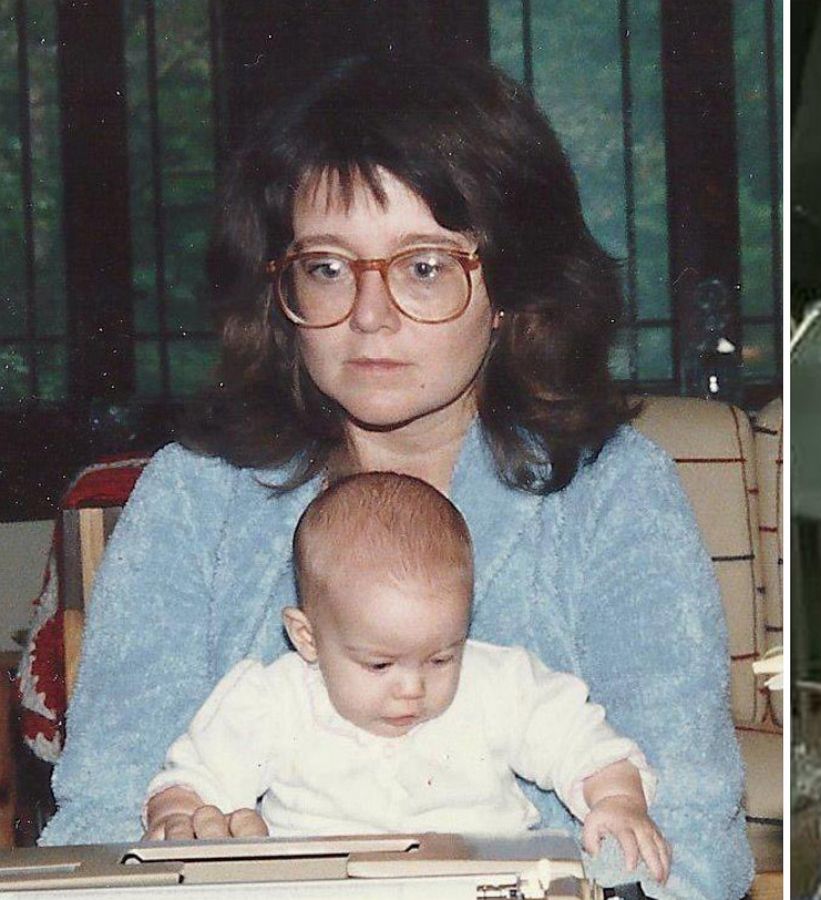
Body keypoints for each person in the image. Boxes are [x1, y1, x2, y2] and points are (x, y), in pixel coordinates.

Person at [43, 54, 751, 900]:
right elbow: (95, 828)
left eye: (423, 266)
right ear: (281, 290)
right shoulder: (198, 495)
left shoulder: (611, 492)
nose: (369, 317)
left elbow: (695, 851)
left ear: (511, 289)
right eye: (328, 267)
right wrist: (189, 850)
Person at [142, 472, 670, 884]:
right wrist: (180, 813)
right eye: (379, 664)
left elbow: (584, 743)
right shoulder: (273, 699)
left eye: (441, 658)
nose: (413, 687)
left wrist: (618, 801)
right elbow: (196, 775)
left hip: (480, 880)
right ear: (307, 637)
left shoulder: (499, 682)